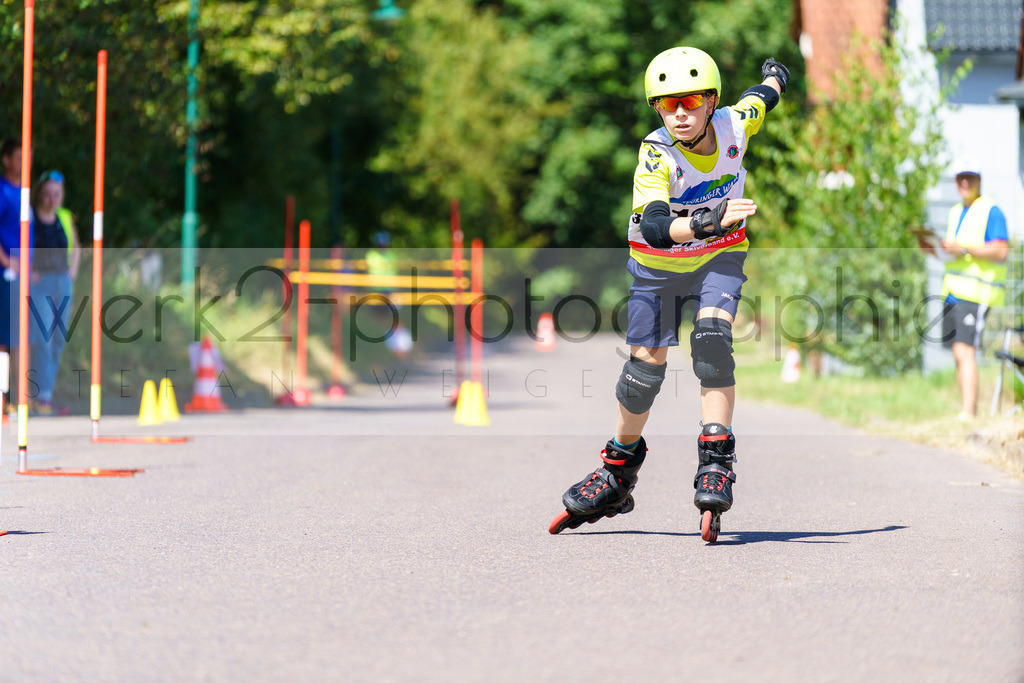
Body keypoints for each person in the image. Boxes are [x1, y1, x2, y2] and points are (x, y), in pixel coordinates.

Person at [549, 47, 789, 542]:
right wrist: (707, 220)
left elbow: (760, 99)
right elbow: (657, 226)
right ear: (656, 108)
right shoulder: (655, 152)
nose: (679, 113)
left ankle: (716, 457)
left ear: (711, 102)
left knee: (712, 341)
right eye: (666, 104)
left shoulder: (734, 127)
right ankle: (618, 468)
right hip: (657, 268)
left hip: (719, 258)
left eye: (691, 101)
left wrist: (776, 77)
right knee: (643, 372)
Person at [922, 162, 1009, 420]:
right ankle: (967, 409)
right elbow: (958, 256)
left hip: (977, 294)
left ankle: (968, 412)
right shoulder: (956, 212)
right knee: (957, 351)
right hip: (954, 292)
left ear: (979, 180)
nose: (965, 183)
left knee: (965, 349)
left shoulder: (991, 210)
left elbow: (1001, 251)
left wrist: (964, 249)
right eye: (961, 177)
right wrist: (935, 252)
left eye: (970, 177)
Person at [28, 170, 80, 415]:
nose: (51, 200)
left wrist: (72, 271)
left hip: (63, 283)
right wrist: (29, 272)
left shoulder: (65, 217)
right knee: (42, 338)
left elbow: (76, 246)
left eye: (56, 195)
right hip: (40, 284)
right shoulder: (30, 216)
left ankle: (45, 392)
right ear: (40, 194)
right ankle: (42, 396)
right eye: (47, 194)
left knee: (58, 338)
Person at [0, 138, 25, 414]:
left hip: (25, 277)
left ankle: (17, 398)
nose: (24, 162)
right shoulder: (3, 191)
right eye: (19, 157)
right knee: (4, 339)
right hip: (5, 275)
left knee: (20, 337)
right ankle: (2, 397)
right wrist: (7, 259)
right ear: (7, 160)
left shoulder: (25, 192)